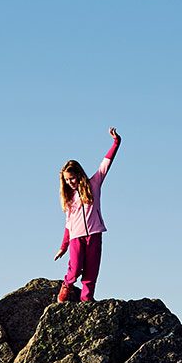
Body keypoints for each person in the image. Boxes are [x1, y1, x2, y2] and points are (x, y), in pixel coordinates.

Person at [53, 128, 123, 302]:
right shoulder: (68, 198)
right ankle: (66, 286)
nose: (70, 183)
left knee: (91, 270)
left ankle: (87, 299)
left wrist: (116, 143)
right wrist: (63, 246)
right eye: (67, 180)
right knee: (75, 268)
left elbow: (106, 164)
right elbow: (68, 224)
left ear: (79, 174)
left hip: (94, 233)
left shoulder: (94, 184)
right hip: (76, 237)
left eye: (72, 179)